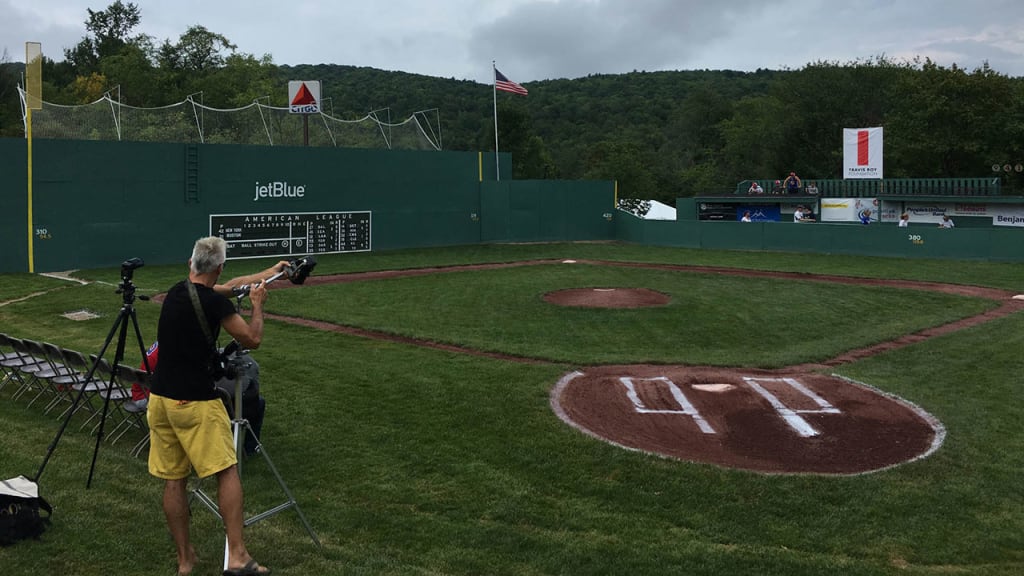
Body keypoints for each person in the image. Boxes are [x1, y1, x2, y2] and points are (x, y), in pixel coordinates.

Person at [147, 236, 289, 576]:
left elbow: (228, 287)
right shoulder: (213, 304)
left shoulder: (179, 290)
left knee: (174, 479)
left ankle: (185, 560)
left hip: (160, 400)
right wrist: (258, 305)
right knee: (227, 471)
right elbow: (252, 338)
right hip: (194, 402)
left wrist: (269, 272)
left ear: (191, 263)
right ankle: (238, 555)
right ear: (219, 266)